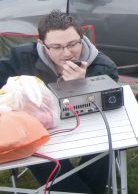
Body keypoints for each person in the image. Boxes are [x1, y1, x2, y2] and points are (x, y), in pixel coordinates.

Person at [0, 10, 118, 194]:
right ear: (42, 44)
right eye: (56, 47)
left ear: (82, 38)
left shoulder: (102, 66)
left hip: (87, 127)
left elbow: (109, 106)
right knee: (35, 148)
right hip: (37, 128)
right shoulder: (21, 58)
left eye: (73, 44)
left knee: (107, 146)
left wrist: (81, 86)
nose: (67, 53)